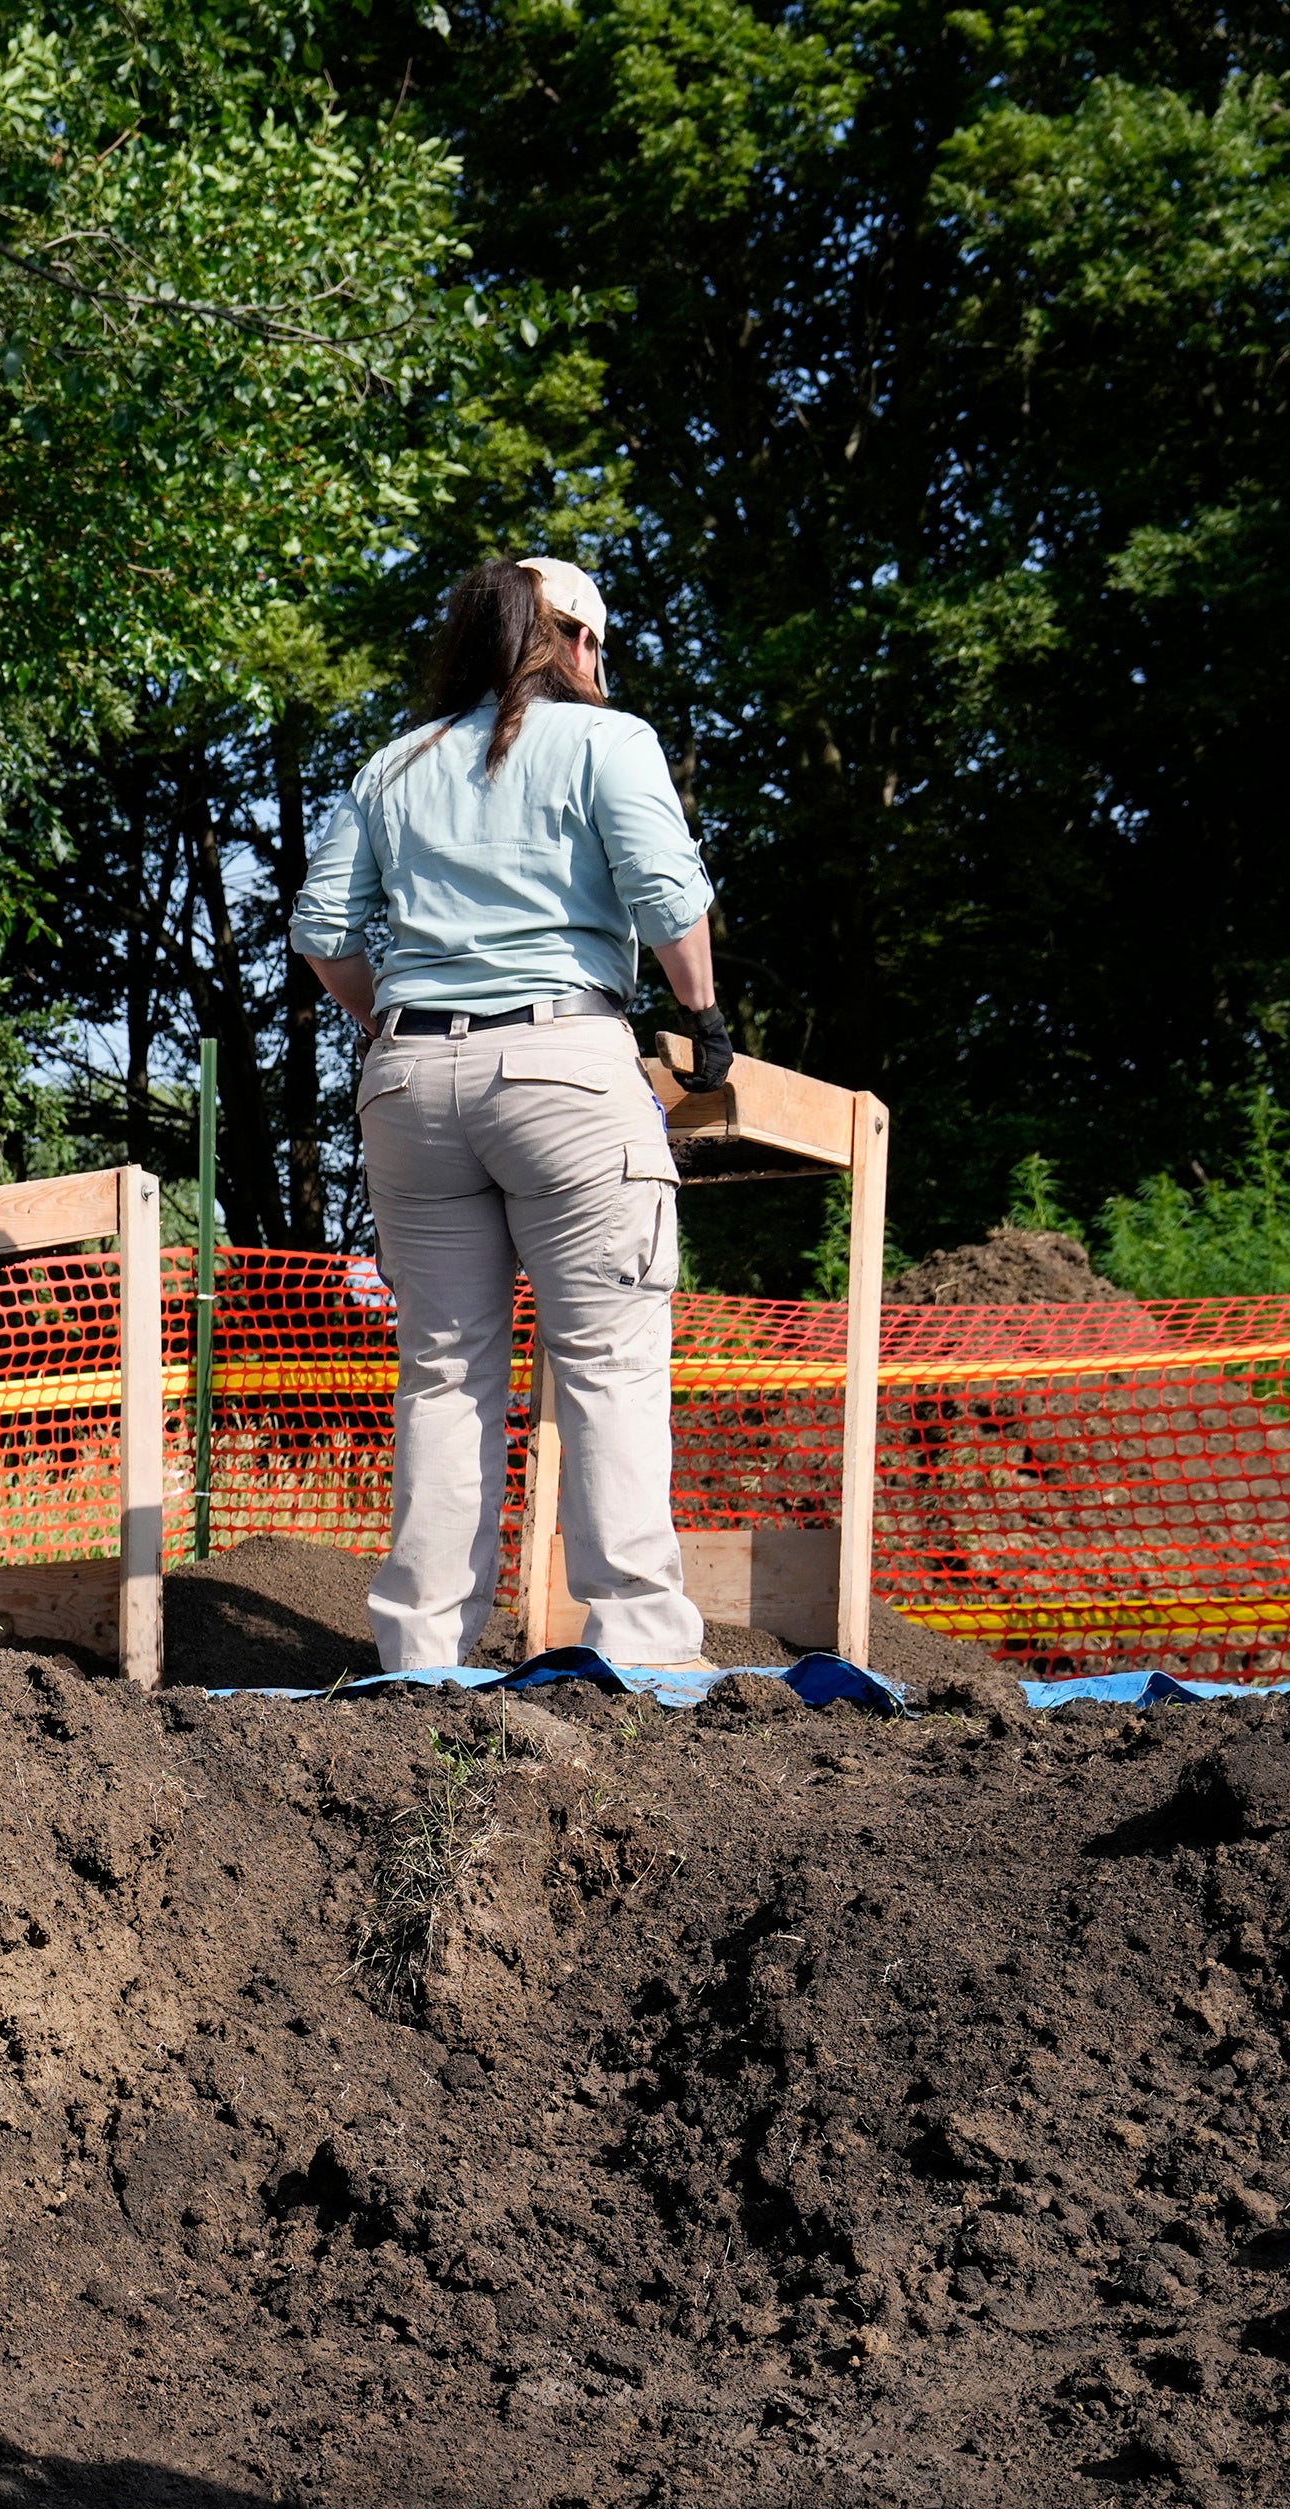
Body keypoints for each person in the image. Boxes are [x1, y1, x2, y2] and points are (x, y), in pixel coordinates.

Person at [290, 556, 733, 1673]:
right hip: (565, 1067)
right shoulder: (607, 740)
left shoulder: (391, 765)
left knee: (442, 1370)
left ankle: (422, 1654)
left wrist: (384, 1021)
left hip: (410, 1085)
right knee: (607, 1362)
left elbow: (324, 933)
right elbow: (667, 898)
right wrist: (703, 1008)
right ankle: (639, 1644)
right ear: (574, 640)